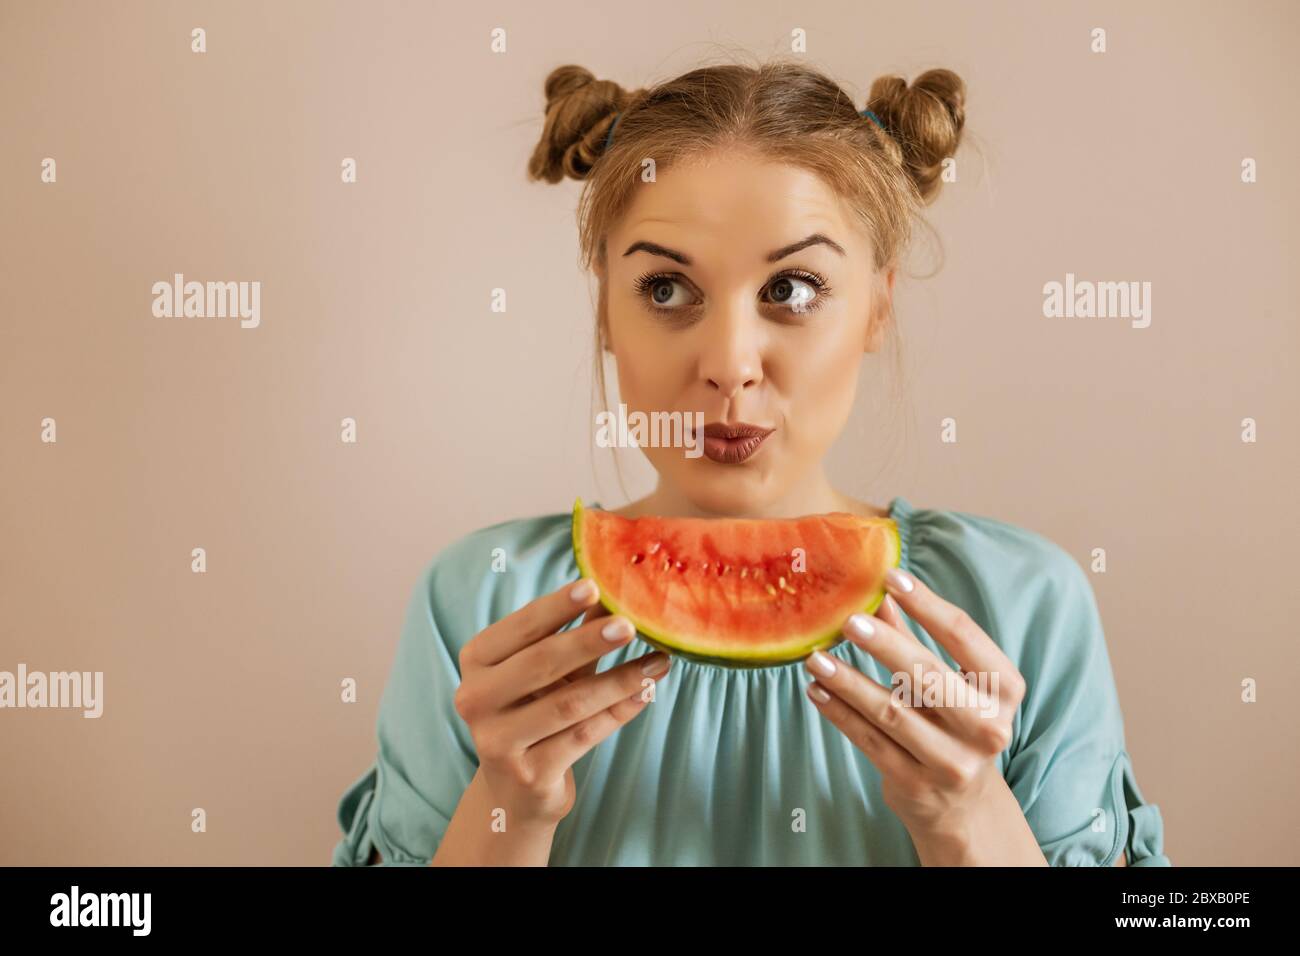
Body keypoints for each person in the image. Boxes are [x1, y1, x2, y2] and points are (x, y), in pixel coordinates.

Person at [331, 59, 1169, 866]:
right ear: (604, 309)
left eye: (792, 289)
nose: (729, 363)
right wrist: (508, 810)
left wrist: (970, 818)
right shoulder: (482, 603)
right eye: (666, 290)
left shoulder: (1024, 606)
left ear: (877, 305)